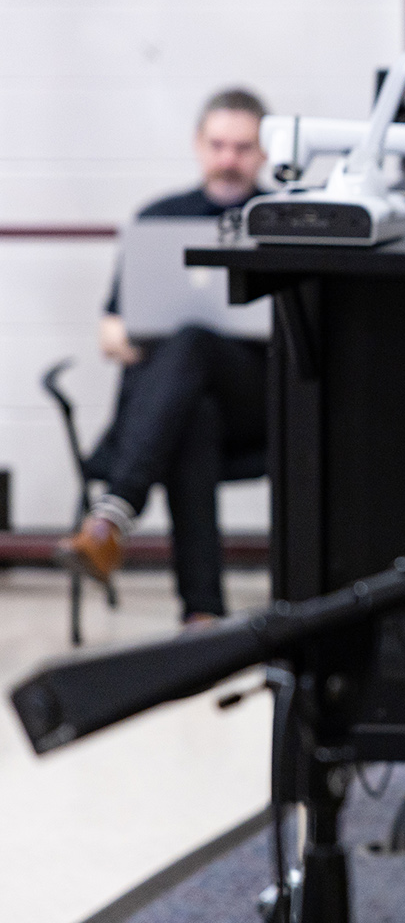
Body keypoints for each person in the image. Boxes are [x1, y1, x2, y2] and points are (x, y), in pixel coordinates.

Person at [58, 88, 272, 624]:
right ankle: (202, 618)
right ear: (198, 146)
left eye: (243, 147)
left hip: (258, 401)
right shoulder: (157, 221)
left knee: (195, 340)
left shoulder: (282, 220)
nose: (229, 159)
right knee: (192, 409)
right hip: (182, 411)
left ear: (264, 152)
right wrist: (145, 340)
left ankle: (113, 514)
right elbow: (111, 332)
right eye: (219, 144)